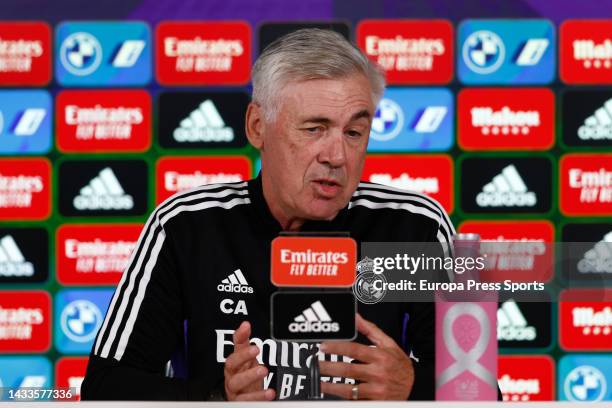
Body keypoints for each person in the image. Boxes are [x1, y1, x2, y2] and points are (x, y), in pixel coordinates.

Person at [81, 28, 455, 401]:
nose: (337, 156)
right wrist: (216, 399)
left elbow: (485, 393)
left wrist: (413, 387)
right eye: (314, 129)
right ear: (257, 126)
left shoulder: (417, 227)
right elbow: (105, 388)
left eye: (355, 132)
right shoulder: (186, 225)